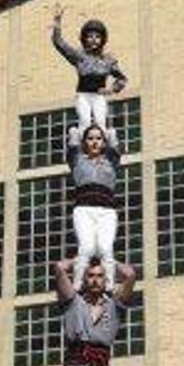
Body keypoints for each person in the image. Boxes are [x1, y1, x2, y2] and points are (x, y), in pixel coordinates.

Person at [52, 256, 136, 366]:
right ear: (84, 279)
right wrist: (82, 257)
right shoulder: (73, 301)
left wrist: (108, 259)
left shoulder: (114, 305)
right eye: (90, 276)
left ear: (106, 280)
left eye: (100, 276)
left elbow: (130, 275)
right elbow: (59, 267)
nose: (95, 280)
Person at [51, 4, 128, 133]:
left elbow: (122, 79)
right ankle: (78, 142)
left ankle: (103, 146)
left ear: (102, 40)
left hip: (98, 96)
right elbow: (59, 43)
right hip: (83, 95)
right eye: (90, 36)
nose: (94, 40)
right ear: (85, 39)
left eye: (97, 37)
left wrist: (112, 89)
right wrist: (57, 22)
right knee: (85, 121)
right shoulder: (79, 56)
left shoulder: (108, 60)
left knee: (100, 122)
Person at [67, 124, 121, 292]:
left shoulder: (110, 162)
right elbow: (73, 141)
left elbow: (114, 144)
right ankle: (77, 285)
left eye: (98, 138)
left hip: (106, 211)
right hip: (84, 209)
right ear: (85, 143)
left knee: (105, 248)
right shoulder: (78, 160)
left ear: (104, 143)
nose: (95, 142)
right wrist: (77, 133)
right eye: (90, 139)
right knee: (87, 247)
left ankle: (110, 285)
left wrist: (109, 133)